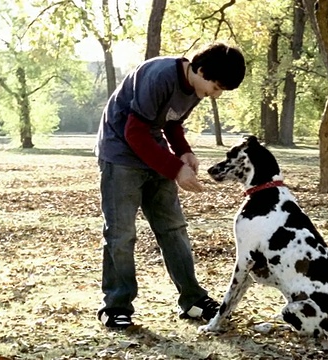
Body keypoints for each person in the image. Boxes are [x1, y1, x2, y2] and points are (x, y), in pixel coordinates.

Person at [94, 42, 246, 329]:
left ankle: (192, 300)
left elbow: (172, 123)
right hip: (120, 153)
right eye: (216, 87)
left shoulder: (195, 86)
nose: (214, 95)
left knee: (173, 228)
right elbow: (134, 131)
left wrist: (184, 152)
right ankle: (115, 306)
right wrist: (176, 169)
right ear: (200, 69)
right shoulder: (160, 76)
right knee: (121, 233)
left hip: (153, 151)